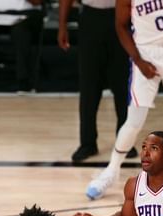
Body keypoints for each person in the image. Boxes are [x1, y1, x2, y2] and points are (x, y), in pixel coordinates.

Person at [86, 0, 163, 200]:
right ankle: (112, 171)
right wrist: (138, 60)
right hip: (146, 53)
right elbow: (120, 26)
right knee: (135, 120)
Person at [58, 0, 137, 162]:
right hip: (91, 16)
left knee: (122, 84)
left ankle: (125, 142)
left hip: (121, 14)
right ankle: (87, 143)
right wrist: (62, 25)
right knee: (89, 85)